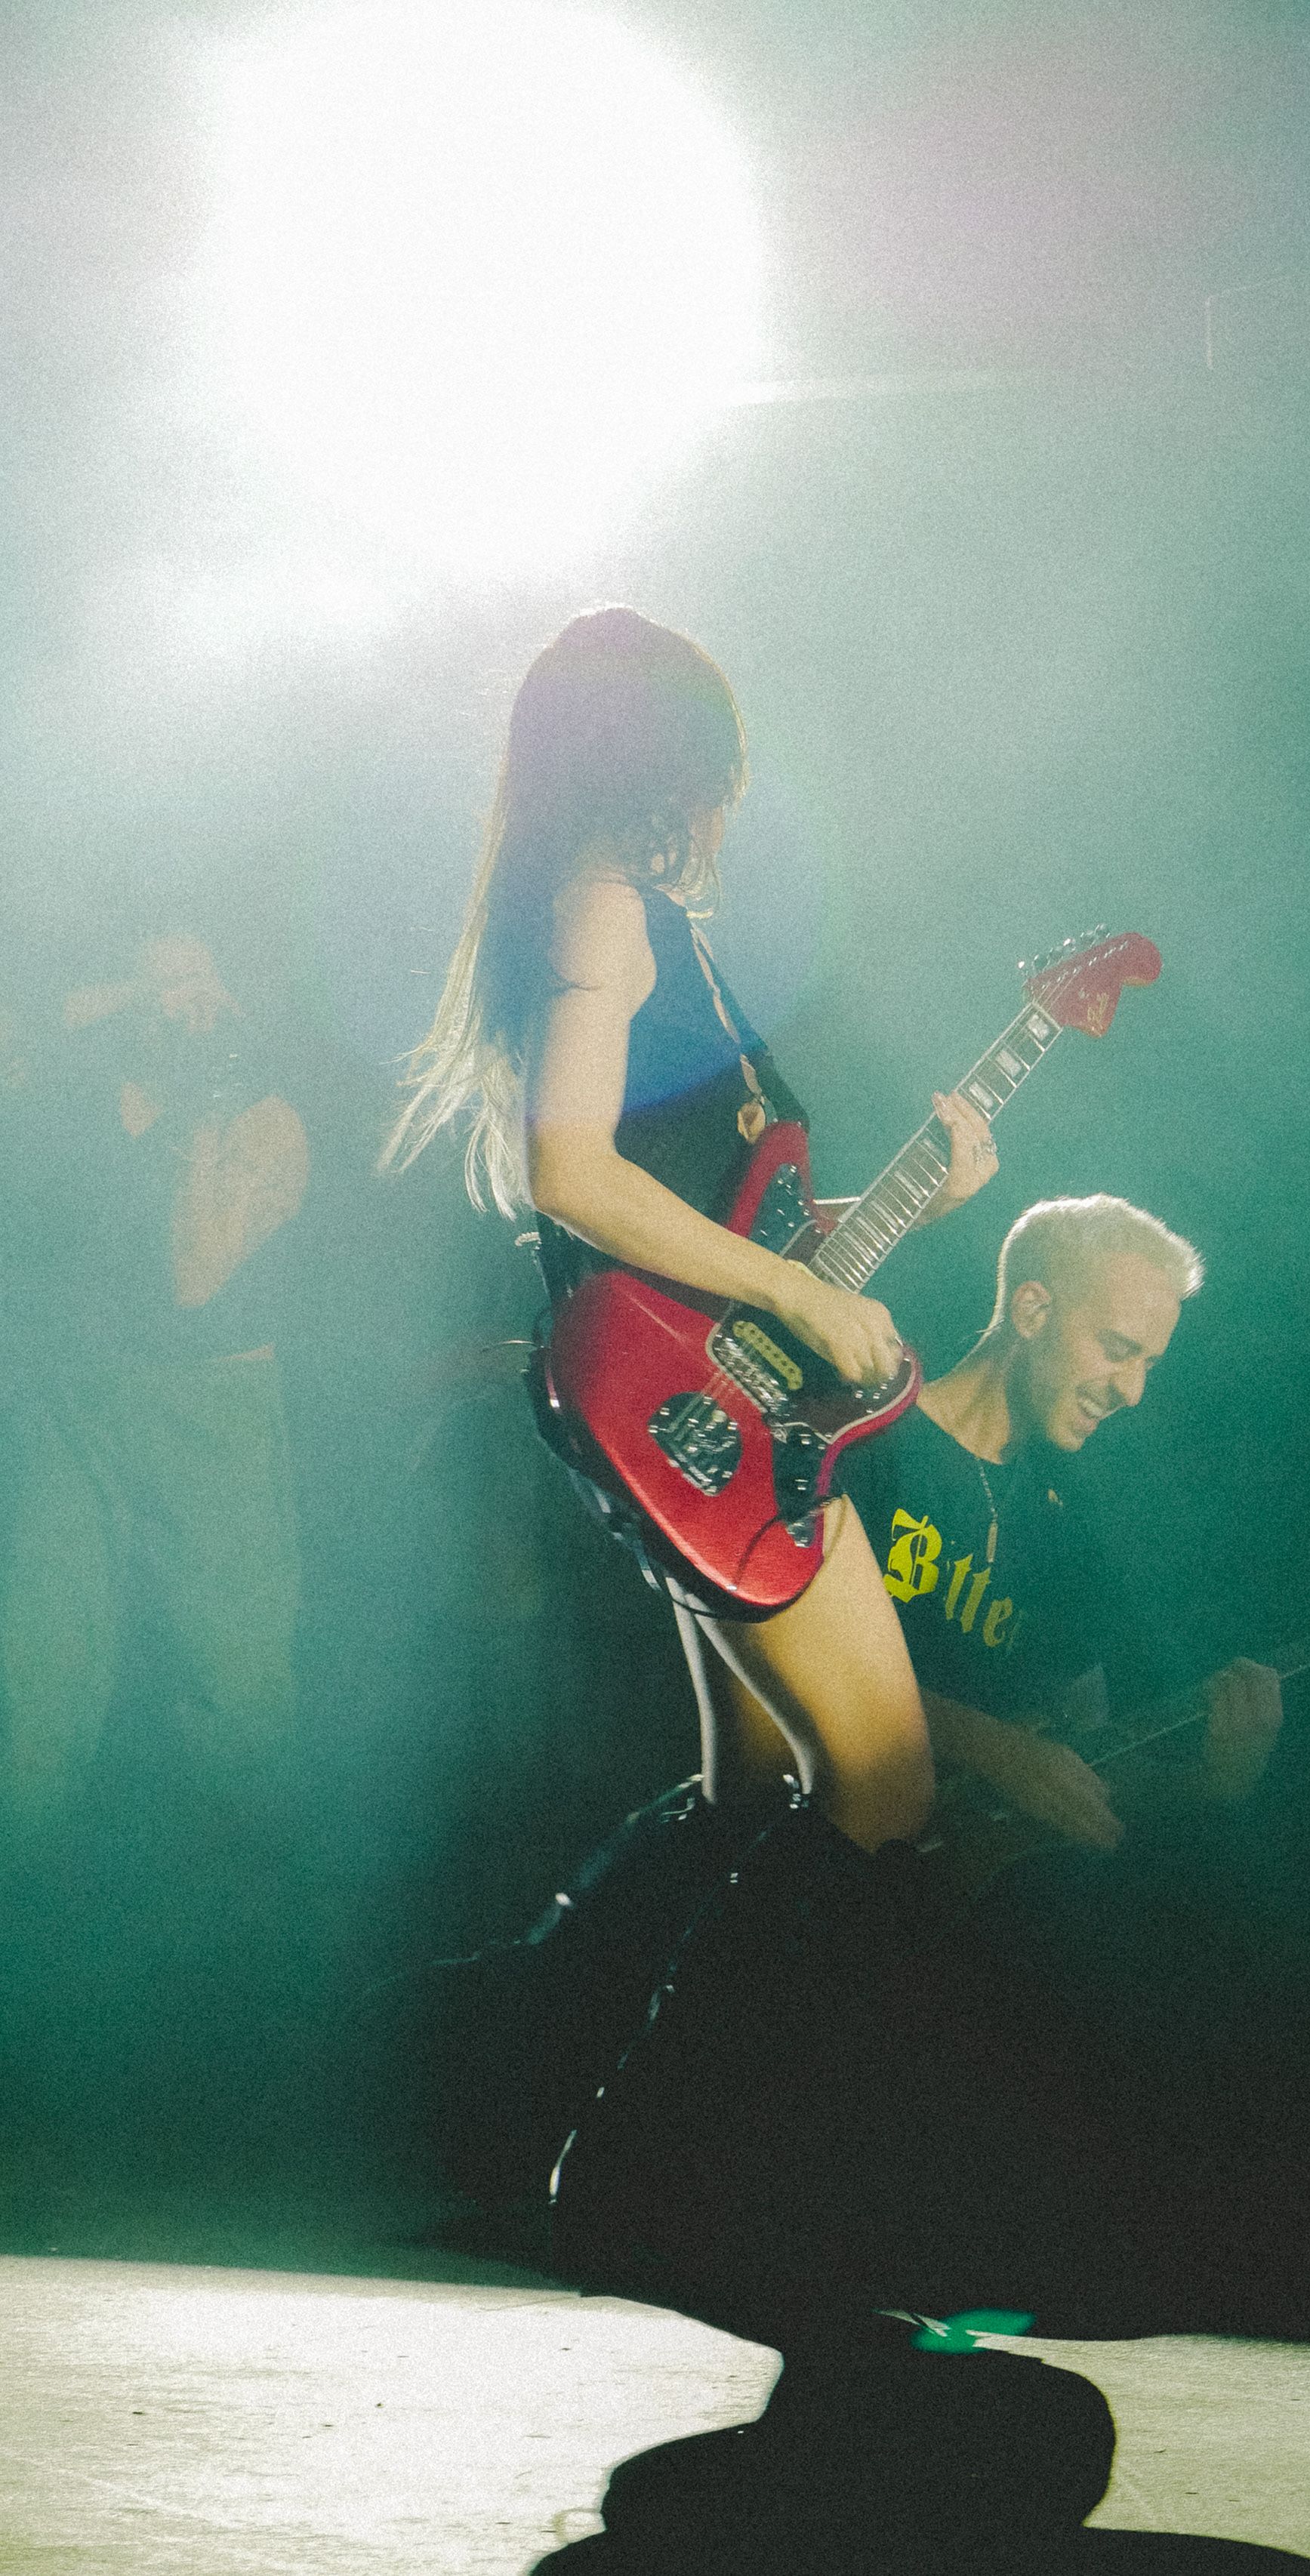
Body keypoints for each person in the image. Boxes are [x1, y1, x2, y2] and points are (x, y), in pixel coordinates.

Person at [384, 605, 1001, 1859]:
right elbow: (569, 1170)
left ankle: (645, 1983)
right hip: (693, 1408)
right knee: (889, 1792)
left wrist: (907, 1208)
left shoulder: (650, 929)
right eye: (721, 773)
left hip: (717, 1406)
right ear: (672, 768)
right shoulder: (604, 907)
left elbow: (716, 1217)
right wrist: (799, 1293)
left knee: (752, 1800)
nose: (728, 808)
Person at [723, 1194, 1284, 1850]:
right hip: (763, 1853)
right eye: (1117, 1349)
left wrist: (1209, 1783)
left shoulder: (1067, 1534)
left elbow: (1068, 1775)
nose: (1132, 1392)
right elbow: (783, 1660)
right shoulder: (856, 1435)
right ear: (1033, 1310)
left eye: (1148, 1365)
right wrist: (993, 1747)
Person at [0, 930, 309, 1839]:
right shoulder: (71, 1094)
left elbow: (194, 1274)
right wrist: (114, 1001)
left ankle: (231, 1882)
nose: (182, 1002)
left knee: (234, 1683)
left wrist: (205, 1105)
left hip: (210, 1413)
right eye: (162, 981)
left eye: (199, 978)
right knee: (36, 1673)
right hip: (70, 1406)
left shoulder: (264, 1120)